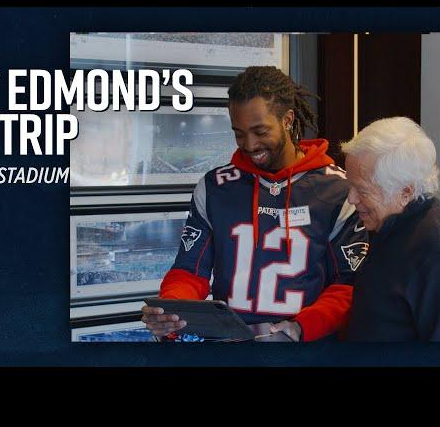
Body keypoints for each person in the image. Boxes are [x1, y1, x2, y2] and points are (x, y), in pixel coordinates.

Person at [141, 66, 368, 341]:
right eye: (239, 133)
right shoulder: (214, 188)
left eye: (260, 131)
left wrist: (302, 327)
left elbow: (348, 285)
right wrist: (171, 310)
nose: (249, 145)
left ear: (287, 120)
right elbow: (190, 272)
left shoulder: (339, 191)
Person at [341, 117, 440, 341]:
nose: (351, 198)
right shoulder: (391, 225)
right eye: (351, 186)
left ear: (406, 191)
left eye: (362, 190)